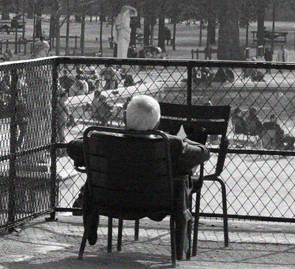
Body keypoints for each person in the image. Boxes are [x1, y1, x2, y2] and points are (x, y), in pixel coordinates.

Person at [68, 95, 210, 249]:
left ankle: (90, 232)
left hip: (110, 200)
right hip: (156, 203)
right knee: (181, 182)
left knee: (94, 178)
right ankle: (180, 247)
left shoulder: (99, 139)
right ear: (157, 122)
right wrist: (181, 139)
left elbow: (72, 147)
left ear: (125, 118)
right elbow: (204, 152)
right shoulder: (171, 144)